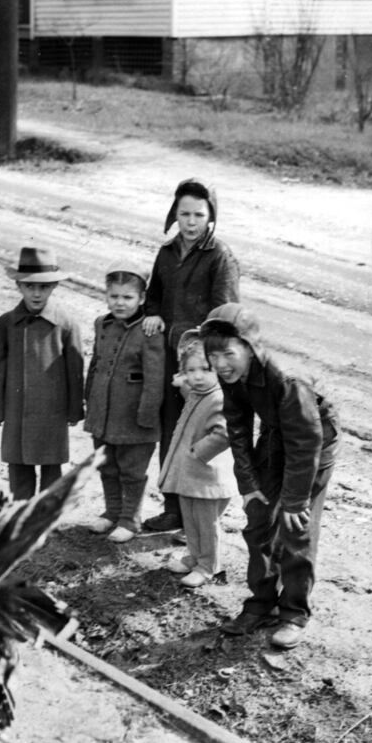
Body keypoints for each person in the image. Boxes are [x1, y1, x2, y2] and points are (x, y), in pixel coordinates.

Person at [199, 303, 341, 649]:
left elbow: (305, 444)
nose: (220, 364)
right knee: (259, 520)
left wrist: (294, 502)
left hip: (314, 441)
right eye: (212, 356)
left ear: (250, 348)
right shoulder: (231, 374)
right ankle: (261, 604)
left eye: (228, 353)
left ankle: (293, 612)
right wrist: (249, 485)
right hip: (276, 435)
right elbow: (237, 427)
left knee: (295, 529)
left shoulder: (288, 380)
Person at [142, 178, 240, 532]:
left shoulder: (220, 256)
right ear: (175, 214)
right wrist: (153, 313)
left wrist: (205, 356)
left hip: (202, 364)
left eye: (199, 214)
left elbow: (225, 314)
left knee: (202, 435)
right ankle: (173, 509)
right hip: (171, 358)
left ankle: (199, 517)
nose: (191, 222)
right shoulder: (167, 252)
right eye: (185, 214)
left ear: (210, 216)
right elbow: (153, 295)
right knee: (172, 430)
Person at [0, 246, 84, 500]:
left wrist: (75, 409)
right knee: (18, 468)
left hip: (52, 412)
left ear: (54, 286)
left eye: (44, 287)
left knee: (51, 468)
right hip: (16, 410)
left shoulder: (66, 324)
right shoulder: (5, 324)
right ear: (18, 286)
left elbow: (75, 371)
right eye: (29, 286)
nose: (37, 293)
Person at [84, 264, 165, 543]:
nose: (120, 303)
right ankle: (112, 512)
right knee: (106, 464)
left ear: (142, 298)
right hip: (103, 412)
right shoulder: (102, 324)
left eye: (128, 297)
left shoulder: (149, 330)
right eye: (114, 296)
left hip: (134, 416)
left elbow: (155, 378)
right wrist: (89, 400)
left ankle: (130, 520)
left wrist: (147, 415)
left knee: (132, 470)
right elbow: (95, 365)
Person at [158, 331, 237, 588]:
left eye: (205, 369)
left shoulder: (220, 398)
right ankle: (194, 556)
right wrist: (182, 382)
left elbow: (224, 433)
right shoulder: (197, 393)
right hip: (191, 475)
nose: (198, 376)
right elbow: (189, 395)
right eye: (191, 371)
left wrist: (198, 452)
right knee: (190, 521)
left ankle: (207, 566)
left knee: (206, 524)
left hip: (208, 477)